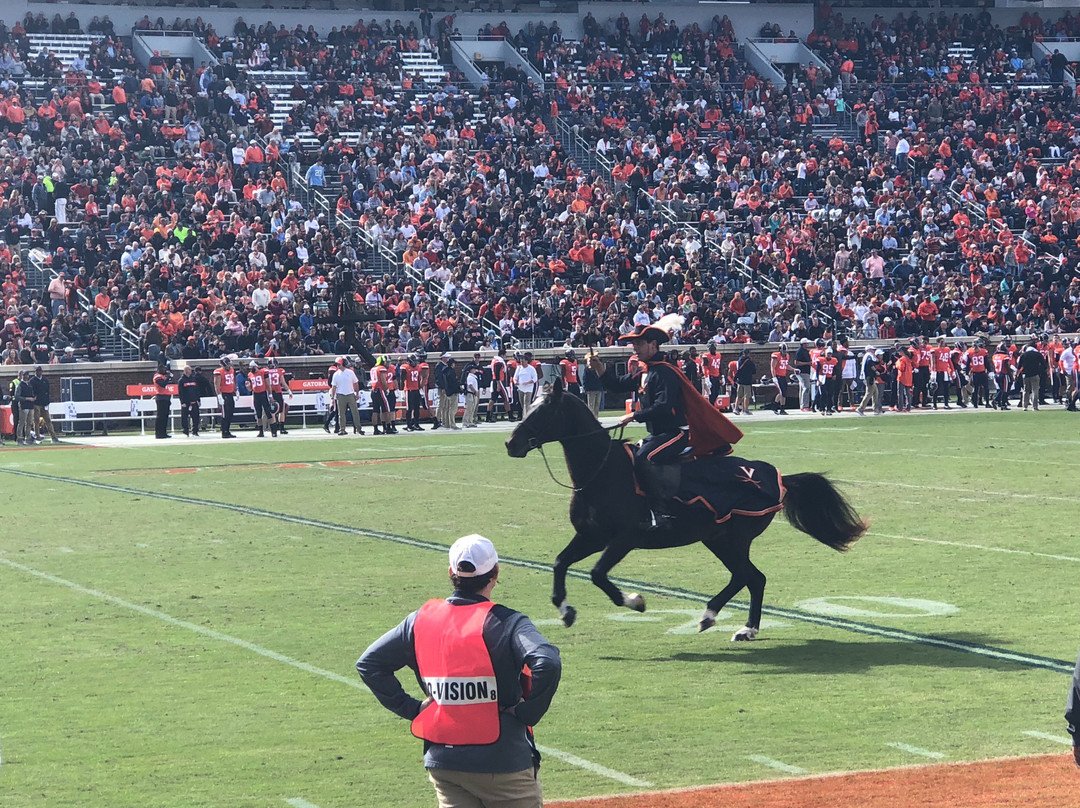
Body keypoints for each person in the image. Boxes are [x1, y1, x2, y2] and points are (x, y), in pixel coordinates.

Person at [357, 534, 562, 808]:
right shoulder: (508, 622)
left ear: (452, 573)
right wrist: (528, 713)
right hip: (503, 764)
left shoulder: (420, 620)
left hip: (444, 762)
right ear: (496, 572)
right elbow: (546, 662)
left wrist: (413, 709)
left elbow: (369, 664)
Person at [589, 314, 742, 529]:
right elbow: (616, 385)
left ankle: (659, 509)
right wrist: (599, 368)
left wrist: (634, 415)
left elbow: (663, 406)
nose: (635, 348)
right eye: (634, 344)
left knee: (645, 458)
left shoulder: (665, 372)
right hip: (659, 434)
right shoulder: (645, 371)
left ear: (653, 345)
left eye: (639, 343)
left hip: (676, 433)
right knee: (630, 456)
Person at [332, 356, 363, 435]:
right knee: (341, 414)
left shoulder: (350, 372)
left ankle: (359, 428)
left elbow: (356, 383)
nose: (338, 366)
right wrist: (333, 397)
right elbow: (334, 386)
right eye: (337, 364)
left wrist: (357, 393)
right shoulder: (336, 374)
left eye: (339, 364)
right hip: (340, 395)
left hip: (350, 394)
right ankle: (342, 429)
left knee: (355, 412)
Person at [30, 365, 60, 443]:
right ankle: (37, 437)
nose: (38, 372)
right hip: (36, 403)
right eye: (37, 371)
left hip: (44, 403)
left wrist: (47, 402)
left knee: (48, 420)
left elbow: (48, 391)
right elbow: (31, 391)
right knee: (36, 421)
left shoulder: (45, 380)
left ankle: (53, 437)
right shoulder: (32, 381)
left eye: (39, 371)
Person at [247, 359, 275, 437]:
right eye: (250, 367)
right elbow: (251, 388)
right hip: (256, 395)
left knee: (268, 412)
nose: (251, 369)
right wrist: (248, 387)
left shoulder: (263, 372)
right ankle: (261, 431)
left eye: (253, 367)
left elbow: (268, 384)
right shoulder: (250, 374)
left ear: (257, 366)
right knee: (258, 414)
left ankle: (273, 430)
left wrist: (270, 395)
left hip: (263, 394)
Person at [1018, 341, 1048, 411]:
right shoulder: (1038, 354)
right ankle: (1035, 407)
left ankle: (1025, 406)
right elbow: (1044, 365)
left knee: (1026, 390)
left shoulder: (1023, 354)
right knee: (1035, 390)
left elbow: (1019, 366)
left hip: (1025, 374)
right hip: (1035, 374)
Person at [213, 354, 238, 438]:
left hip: (230, 394)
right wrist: (219, 396)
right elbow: (216, 385)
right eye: (227, 363)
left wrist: (236, 390)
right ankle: (224, 431)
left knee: (230, 413)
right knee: (225, 414)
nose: (229, 365)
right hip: (224, 394)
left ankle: (227, 430)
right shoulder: (219, 372)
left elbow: (233, 381)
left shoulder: (231, 370)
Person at [266, 357, 291, 434]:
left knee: (272, 410)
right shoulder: (279, 371)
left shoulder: (265, 371)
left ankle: (274, 429)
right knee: (281, 410)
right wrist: (289, 391)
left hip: (270, 393)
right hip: (278, 392)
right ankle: (282, 428)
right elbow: (283, 383)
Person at [177, 364, 201, 436]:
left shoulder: (193, 379)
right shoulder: (181, 380)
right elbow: (180, 392)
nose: (191, 371)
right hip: (186, 402)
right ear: (185, 371)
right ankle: (186, 431)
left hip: (194, 402)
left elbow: (197, 390)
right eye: (189, 369)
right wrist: (182, 402)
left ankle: (195, 431)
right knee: (185, 418)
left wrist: (198, 400)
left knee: (196, 417)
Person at [733, 348, 756, 415]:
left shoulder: (739, 360)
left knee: (739, 396)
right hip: (747, 381)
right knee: (746, 396)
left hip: (740, 380)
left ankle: (736, 409)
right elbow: (754, 371)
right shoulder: (750, 362)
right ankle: (745, 410)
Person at [15, 369, 35, 446]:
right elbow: (17, 397)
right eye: (24, 375)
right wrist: (27, 398)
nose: (26, 376)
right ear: (22, 376)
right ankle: (19, 438)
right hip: (23, 406)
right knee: (22, 423)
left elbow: (32, 393)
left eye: (26, 375)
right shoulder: (20, 385)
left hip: (30, 405)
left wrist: (33, 397)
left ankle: (28, 438)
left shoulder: (29, 384)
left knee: (29, 423)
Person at [153, 359, 173, 439]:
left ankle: (164, 432)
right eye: (164, 368)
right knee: (160, 416)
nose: (165, 370)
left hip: (166, 398)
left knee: (165, 416)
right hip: (161, 398)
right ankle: (158, 433)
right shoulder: (157, 376)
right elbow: (163, 384)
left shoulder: (163, 376)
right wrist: (168, 377)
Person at [769, 344, 790, 415]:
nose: (784, 352)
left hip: (783, 376)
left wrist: (794, 369)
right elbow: (772, 367)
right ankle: (779, 408)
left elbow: (786, 365)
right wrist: (774, 377)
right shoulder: (776, 356)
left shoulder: (787, 356)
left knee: (783, 393)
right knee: (782, 392)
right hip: (778, 376)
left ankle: (777, 407)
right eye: (783, 350)